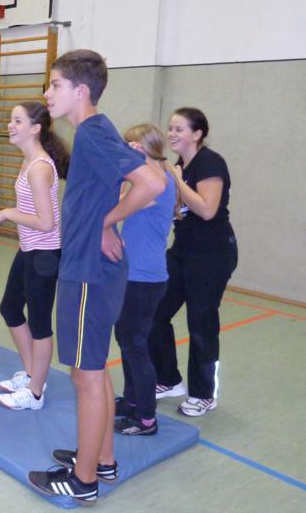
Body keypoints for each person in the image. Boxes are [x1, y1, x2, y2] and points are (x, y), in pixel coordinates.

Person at [26, 49, 165, 506]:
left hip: (88, 272)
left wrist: (106, 222)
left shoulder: (92, 132)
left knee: (84, 377)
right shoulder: (94, 134)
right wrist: (106, 219)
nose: (48, 93)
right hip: (90, 266)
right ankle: (101, 460)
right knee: (95, 370)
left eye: (55, 85)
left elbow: (153, 184)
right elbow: (120, 184)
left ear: (80, 91)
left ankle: (83, 480)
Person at [148, 107, 238, 417]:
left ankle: (203, 394)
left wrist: (176, 180)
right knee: (155, 312)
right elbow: (178, 210)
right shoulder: (178, 166)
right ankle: (169, 379)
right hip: (182, 251)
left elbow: (207, 210)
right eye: (170, 128)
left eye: (179, 129)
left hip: (213, 254)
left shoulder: (209, 163)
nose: (171, 134)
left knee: (201, 323)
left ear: (197, 134)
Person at [0, 102, 69, 411]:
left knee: (39, 324)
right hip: (29, 249)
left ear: (35, 129)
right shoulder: (29, 161)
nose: (10, 125)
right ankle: (33, 373)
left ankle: (35, 393)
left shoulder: (39, 168)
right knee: (10, 308)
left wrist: (9, 213)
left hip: (44, 253)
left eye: (17, 121)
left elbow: (47, 222)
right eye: (11, 120)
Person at [112, 124, 177, 435]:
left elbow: (117, 208)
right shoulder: (147, 179)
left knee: (135, 344)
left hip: (145, 278)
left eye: (129, 146)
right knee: (126, 339)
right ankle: (133, 400)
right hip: (133, 274)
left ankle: (147, 418)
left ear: (141, 149)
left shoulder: (158, 183)